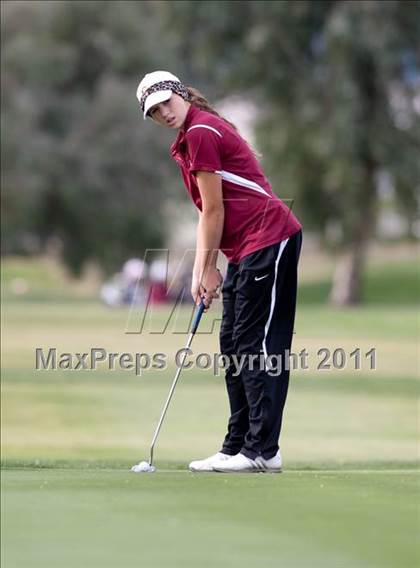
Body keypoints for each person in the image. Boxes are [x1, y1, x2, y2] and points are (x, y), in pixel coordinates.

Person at [136, 70, 303, 473]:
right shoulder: (189, 137)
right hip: (247, 248)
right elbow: (210, 211)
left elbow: (213, 210)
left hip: (270, 239)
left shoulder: (201, 132)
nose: (164, 113)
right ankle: (237, 446)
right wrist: (212, 265)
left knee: (255, 347)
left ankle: (262, 449)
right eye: (155, 111)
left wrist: (203, 270)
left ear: (181, 95)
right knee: (232, 343)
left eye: (166, 102)